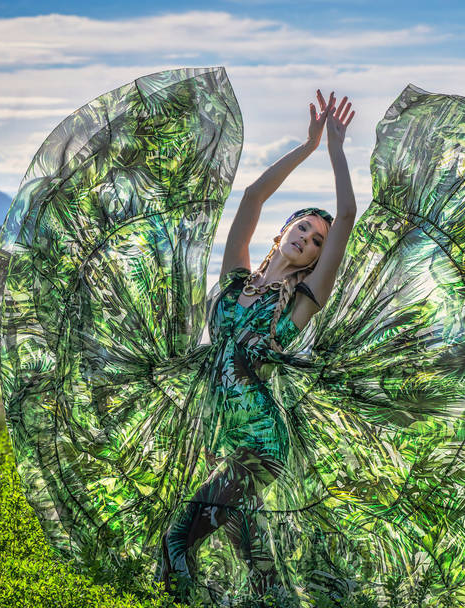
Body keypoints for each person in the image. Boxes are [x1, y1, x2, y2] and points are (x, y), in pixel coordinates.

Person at [159, 89, 358, 603]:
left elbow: (347, 217)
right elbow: (250, 198)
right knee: (249, 551)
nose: (309, 239)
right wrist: (307, 146)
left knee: (180, 535)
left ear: (316, 260)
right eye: (304, 227)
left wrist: (335, 148)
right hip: (221, 431)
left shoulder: (300, 304)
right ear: (284, 231)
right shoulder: (232, 282)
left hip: (261, 442)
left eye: (317, 241)